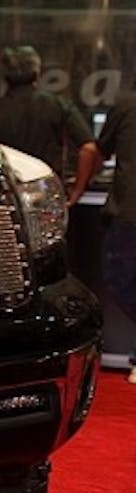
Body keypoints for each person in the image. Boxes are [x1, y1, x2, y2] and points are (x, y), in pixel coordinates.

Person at [0, 46, 100, 205]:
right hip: (46, 193)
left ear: (4, 77)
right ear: (37, 73)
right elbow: (89, 148)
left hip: (5, 197)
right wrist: (78, 189)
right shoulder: (58, 105)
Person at [95, 89, 136, 382]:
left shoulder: (125, 105)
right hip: (128, 210)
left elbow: (99, 150)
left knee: (119, 279)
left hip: (128, 211)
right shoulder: (126, 105)